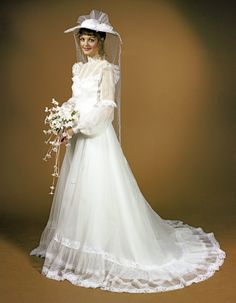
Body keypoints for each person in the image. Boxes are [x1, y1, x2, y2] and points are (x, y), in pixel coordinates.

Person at [30, 9, 226, 293]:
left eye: (90, 40)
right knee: (79, 195)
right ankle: (81, 254)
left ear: (100, 41)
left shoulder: (106, 69)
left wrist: (76, 127)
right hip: (78, 138)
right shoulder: (78, 68)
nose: (85, 44)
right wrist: (63, 118)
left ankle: (104, 253)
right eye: (82, 39)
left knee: (100, 193)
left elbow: (106, 109)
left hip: (95, 137)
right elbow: (77, 99)